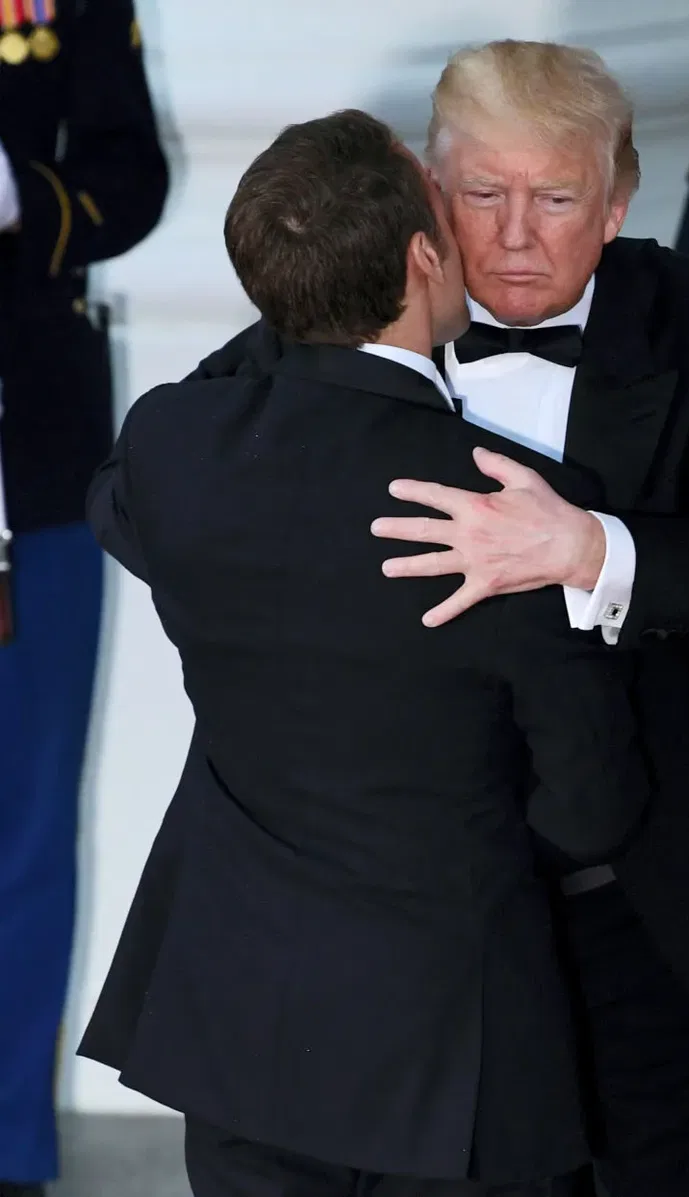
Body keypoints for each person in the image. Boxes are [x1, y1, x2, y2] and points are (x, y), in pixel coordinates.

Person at [76, 109, 651, 1197]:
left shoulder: (173, 448)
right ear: (425, 255)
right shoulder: (509, 507)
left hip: (237, 1026)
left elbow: (127, 500)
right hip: (448, 1049)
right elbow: (591, 804)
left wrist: (303, 305)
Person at [364, 42, 689, 1197]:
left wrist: (588, 550)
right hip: (427, 908)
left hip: (651, 897)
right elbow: (170, 470)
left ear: (616, 204)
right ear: (430, 191)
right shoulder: (356, 315)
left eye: (556, 200)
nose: (515, 235)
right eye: (483, 194)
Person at [0, 3, 167, 1193]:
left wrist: (17, 194)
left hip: (27, 449)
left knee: (22, 822)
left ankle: (6, 1140)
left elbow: (131, 173)